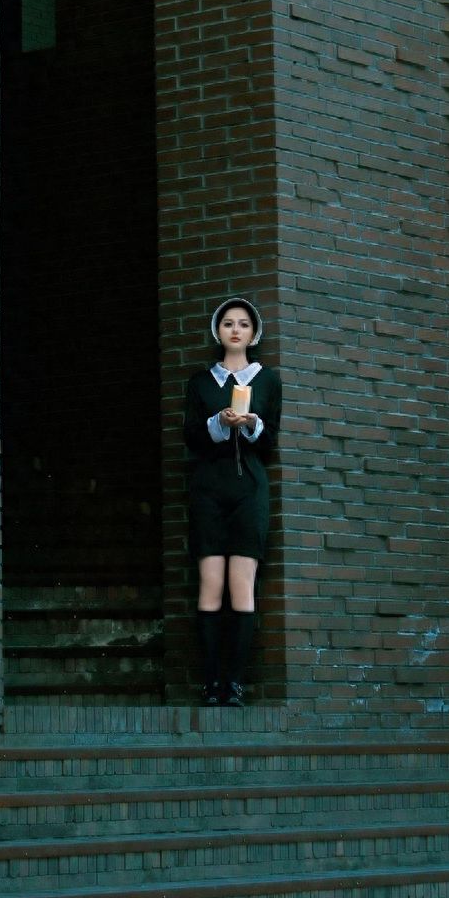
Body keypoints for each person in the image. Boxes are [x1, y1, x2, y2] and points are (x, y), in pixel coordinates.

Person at [183, 297, 281, 705]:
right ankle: (210, 684)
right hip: (208, 490)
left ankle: (235, 684)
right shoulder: (202, 382)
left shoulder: (268, 380)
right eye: (228, 323)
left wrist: (253, 423)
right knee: (210, 587)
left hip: (249, 490)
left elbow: (271, 441)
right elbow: (190, 436)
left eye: (243, 324)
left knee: (242, 588)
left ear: (254, 333)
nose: (235, 330)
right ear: (218, 331)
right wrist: (219, 423)